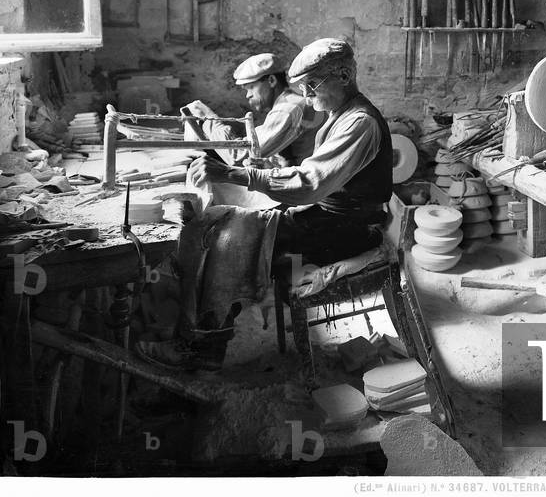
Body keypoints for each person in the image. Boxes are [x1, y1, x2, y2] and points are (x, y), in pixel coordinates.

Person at [135, 38, 394, 370]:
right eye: (303, 88)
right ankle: (197, 333)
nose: (307, 97)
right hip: (328, 218)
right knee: (214, 221)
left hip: (346, 232)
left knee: (224, 237)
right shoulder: (339, 114)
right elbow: (311, 181)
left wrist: (235, 173)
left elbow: (310, 184)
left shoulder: (360, 122)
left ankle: (204, 346)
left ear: (344, 75)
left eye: (312, 86)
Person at [184, 52, 324, 168]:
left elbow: (240, 156)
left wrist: (210, 118)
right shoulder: (292, 100)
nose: (247, 95)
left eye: (251, 87)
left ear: (271, 81)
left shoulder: (288, 109)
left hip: (307, 193)